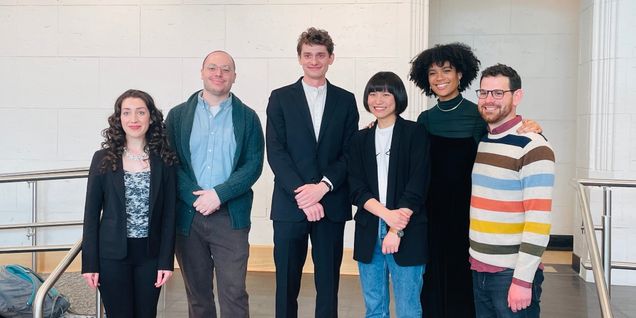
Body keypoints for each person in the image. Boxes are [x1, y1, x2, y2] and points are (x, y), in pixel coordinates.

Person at [409, 42, 541, 317]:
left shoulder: (478, 115)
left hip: (471, 218)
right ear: (426, 79)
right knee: (432, 284)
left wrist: (531, 126)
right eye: (433, 73)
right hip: (432, 218)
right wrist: (377, 125)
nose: (440, 78)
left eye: (447, 70)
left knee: (465, 289)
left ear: (461, 75)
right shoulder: (425, 120)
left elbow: (505, 135)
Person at [266, 27, 359, 318]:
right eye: (308, 55)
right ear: (300, 58)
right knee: (285, 284)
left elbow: (349, 152)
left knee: (329, 282)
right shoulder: (280, 98)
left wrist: (323, 187)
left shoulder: (346, 100)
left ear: (331, 58)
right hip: (290, 205)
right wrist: (304, 195)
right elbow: (276, 152)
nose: (314, 61)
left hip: (330, 203)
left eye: (320, 55)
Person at [166, 50, 264, 318]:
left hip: (230, 218)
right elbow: (170, 163)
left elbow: (253, 165)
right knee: (197, 295)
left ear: (234, 77)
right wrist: (194, 197)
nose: (218, 74)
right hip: (188, 216)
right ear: (201, 72)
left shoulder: (248, 118)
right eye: (212, 68)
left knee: (233, 292)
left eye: (225, 69)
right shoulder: (177, 117)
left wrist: (219, 195)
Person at [82, 89, 177, 318]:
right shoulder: (103, 158)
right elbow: (91, 215)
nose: (133, 119)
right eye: (127, 113)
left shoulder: (165, 159)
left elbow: (170, 214)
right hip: (111, 256)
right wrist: (90, 264)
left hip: (150, 256)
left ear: (151, 117)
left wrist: (166, 261)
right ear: (119, 118)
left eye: (140, 112)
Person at [470, 63, 554, 317]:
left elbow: (538, 220)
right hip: (479, 268)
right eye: (484, 93)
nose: (489, 100)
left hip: (510, 274)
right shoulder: (485, 140)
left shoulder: (534, 147)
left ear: (517, 96)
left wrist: (522, 280)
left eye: (498, 93)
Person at [347, 72, 430, 318]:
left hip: (408, 231)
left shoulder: (416, 133)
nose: (378, 99)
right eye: (373, 93)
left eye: (386, 93)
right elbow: (356, 188)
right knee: (374, 308)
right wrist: (386, 216)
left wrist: (395, 229)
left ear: (398, 97)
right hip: (369, 229)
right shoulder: (359, 139)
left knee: (408, 309)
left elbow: (417, 185)